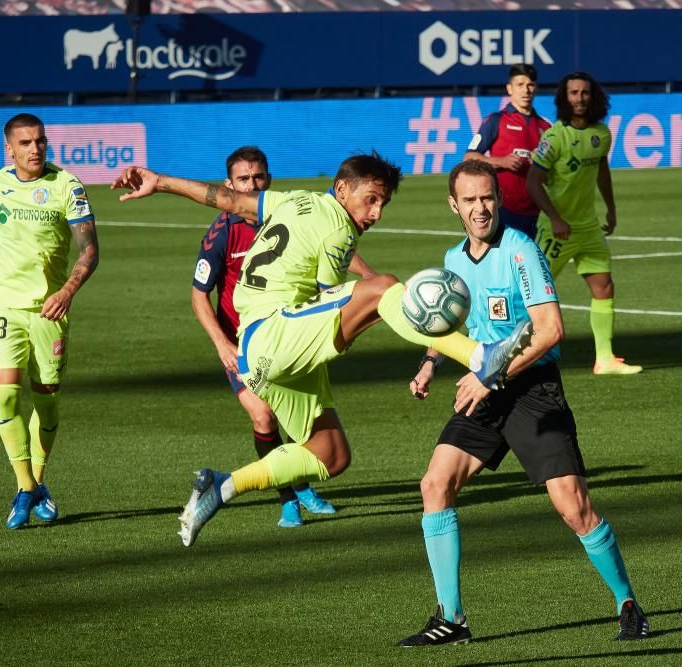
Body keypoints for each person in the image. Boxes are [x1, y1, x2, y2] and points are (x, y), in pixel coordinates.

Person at [110, 152, 534, 547]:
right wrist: (384, 306)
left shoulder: (293, 200)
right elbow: (334, 296)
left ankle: (221, 486)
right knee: (385, 288)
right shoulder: (337, 227)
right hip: (276, 333)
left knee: (330, 454)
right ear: (343, 189)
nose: (376, 213)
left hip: (265, 353)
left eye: (382, 203)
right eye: (370, 200)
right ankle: (480, 356)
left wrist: (161, 181)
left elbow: (226, 199)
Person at [398, 160, 649, 647]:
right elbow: (446, 323)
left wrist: (487, 375)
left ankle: (629, 604)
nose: (480, 208)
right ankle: (452, 618)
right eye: (469, 200)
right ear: (454, 205)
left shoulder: (521, 251)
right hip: (483, 387)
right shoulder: (452, 260)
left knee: (573, 508)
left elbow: (551, 329)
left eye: (487, 197)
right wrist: (430, 363)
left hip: (532, 389)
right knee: (435, 483)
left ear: (500, 199)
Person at [0, 113, 100, 529]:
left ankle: (36, 484)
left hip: (50, 312)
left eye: (41, 142)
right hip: (4, 308)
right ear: (9, 149)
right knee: (5, 397)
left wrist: (66, 291)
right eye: (26, 143)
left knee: (46, 403)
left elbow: (89, 250)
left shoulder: (67, 187)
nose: (36, 149)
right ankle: (25, 486)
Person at [192, 146, 341, 528]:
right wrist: (222, 345)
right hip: (241, 344)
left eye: (258, 177)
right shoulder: (222, 231)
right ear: (230, 185)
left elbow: (332, 246)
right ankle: (288, 498)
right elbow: (198, 296)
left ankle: (300, 483)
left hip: (289, 334)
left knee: (299, 423)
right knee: (263, 416)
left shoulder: (287, 215)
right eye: (244, 179)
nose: (252, 184)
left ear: (269, 179)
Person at [526, 71, 641, 376]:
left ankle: (604, 359)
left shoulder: (601, 134)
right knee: (531, 293)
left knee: (603, 286)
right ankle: (515, 352)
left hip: (587, 227)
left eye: (585, 93)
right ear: (565, 98)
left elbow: (602, 169)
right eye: (573, 93)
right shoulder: (554, 137)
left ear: (594, 97)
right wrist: (554, 218)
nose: (579, 98)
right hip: (556, 230)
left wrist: (611, 208)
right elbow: (533, 182)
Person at [463, 63, 551, 240]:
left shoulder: (545, 127)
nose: (526, 90)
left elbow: (550, 176)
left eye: (530, 85)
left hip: (533, 213)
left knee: (522, 266)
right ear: (509, 88)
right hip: (502, 209)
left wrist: (541, 167)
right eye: (520, 85)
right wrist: (501, 161)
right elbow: (469, 157)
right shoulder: (496, 120)